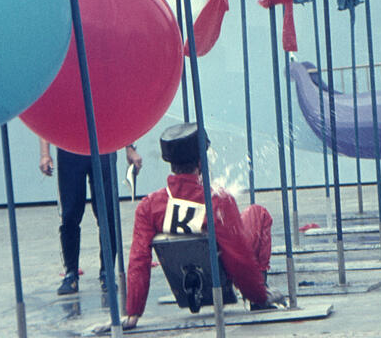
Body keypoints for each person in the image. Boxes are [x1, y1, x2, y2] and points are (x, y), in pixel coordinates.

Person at [90, 123, 285, 333]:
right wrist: (259, 296)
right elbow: (240, 257)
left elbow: (138, 260)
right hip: (226, 271)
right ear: (201, 161)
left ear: (169, 162)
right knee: (258, 213)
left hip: (185, 273)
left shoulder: (149, 205)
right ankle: (261, 288)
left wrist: (133, 312)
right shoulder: (218, 201)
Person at [39, 140, 142, 295]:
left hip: (102, 146)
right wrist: (45, 154)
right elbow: (46, 117)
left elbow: (118, 115)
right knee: (70, 214)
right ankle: (71, 273)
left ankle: (107, 272)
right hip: (70, 148)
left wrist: (130, 148)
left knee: (108, 213)